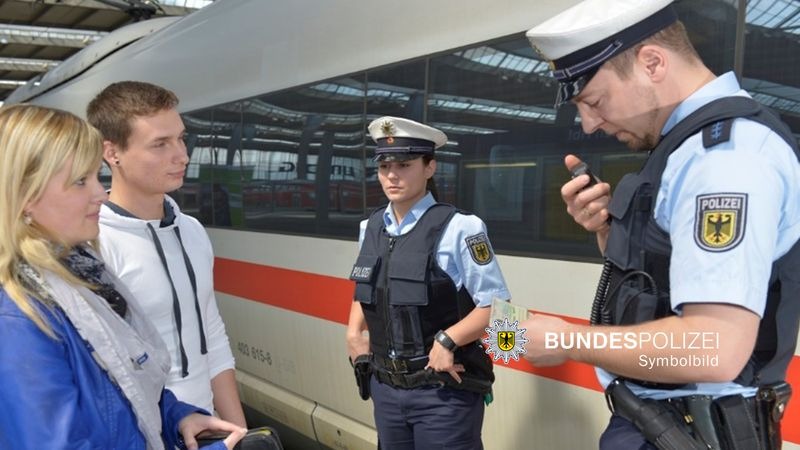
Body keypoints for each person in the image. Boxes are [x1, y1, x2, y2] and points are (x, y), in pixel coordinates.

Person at [522, 0, 800, 449]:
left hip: (689, 433)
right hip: (659, 423)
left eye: (594, 101)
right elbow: (664, 286)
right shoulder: (684, 148)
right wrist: (608, 232)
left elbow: (712, 347)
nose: (589, 124)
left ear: (652, 62)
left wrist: (564, 338)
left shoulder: (725, 159)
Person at [0, 104, 247, 449]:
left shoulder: (81, 271)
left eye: (94, 177)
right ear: (24, 196)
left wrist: (177, 417)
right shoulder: (18, 318)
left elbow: (123, 384)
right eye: (79, 181)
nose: (99, 194)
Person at [346, 116, 512, 449]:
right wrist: (353, 333)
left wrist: (449, 340)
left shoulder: (461, 228)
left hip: (442, 393)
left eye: (404, 165)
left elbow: (499, 309)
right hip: (386, 390)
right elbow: (367, 290)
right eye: (384, 166)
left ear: (429, 168)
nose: (392, 175)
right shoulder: (371, 227)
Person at [87, 81, 246, 427]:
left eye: (180, 138)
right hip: (143, 432)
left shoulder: (191, 231)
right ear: (112, 153)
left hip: (204, 428)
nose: (182, 155)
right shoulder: (94, 244)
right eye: (160, 144)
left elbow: (211, 334)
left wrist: (239, 431)